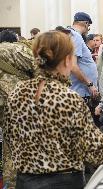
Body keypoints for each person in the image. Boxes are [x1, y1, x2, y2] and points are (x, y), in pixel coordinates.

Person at [2, 31, 103, 189]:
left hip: (25, 181)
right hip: (62, 182)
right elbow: (92, 148)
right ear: (67, 60)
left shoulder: (17, 93)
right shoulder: (67, 98)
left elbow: (9, 136)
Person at [0, 37, 35, 189]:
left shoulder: (6, 50)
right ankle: (12, 183)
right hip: (10, 98)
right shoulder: (25, 51)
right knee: (14, 145)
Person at [68, 12, 98, 105]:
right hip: (80, 93)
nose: (88, 30)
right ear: (86, 24)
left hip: (76, 91)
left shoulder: (70, 34)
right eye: (88, 26)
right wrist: (89, 84)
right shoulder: (76, 36)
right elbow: (73, 66)